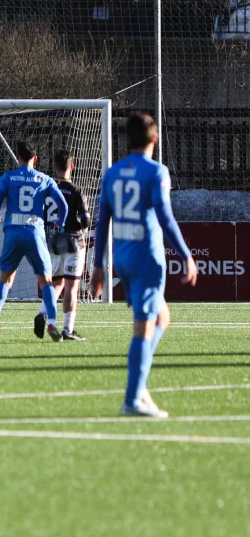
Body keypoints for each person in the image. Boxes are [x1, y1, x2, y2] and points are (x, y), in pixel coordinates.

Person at [91, 112, 197, 417]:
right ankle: (133, 398)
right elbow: (165, 217)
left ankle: (140, 385)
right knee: (143, 327)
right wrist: (186, 255)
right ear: (155, 139)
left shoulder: (112, 173)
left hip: (122, 256)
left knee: (162, 317)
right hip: (146, 258)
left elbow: (102, 223)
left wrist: (98, 264)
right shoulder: (156, 172)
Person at [0, 139, 68, 343]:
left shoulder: (8, 177)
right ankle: (52, 323)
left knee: (5, 279)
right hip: (35, 233)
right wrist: (60, 221)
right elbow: (63, 204)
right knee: (46, 282)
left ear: (18, 157)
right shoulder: (45, 179)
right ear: (36, 159)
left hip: (13, 233)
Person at [33, 148, 90, 341]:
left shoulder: (47, 187)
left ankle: (42, 313)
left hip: (51, 240)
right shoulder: (76, 191)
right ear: (72, 166)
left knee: (55, 282)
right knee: (71, 287)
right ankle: (68, 330)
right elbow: (86, 222)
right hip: (74, 242)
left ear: (55, 166)